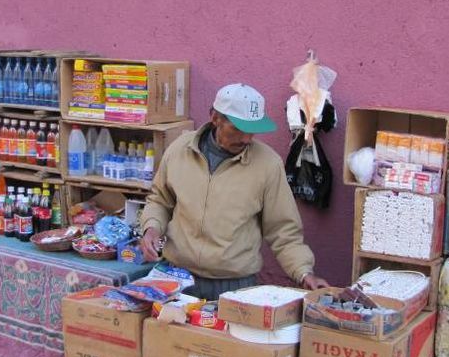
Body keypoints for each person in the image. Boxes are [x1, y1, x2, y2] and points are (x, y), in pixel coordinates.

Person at [140, 83, 330, 300]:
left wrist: (304, 272)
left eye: (253, 131)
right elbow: (160, 200)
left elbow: (283, 231)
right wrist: (152, 228)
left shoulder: (268, 165)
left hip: (234, 286)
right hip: (176, 277)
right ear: (215, 118)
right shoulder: (179, 150)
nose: (247, 138)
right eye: (238, 128)